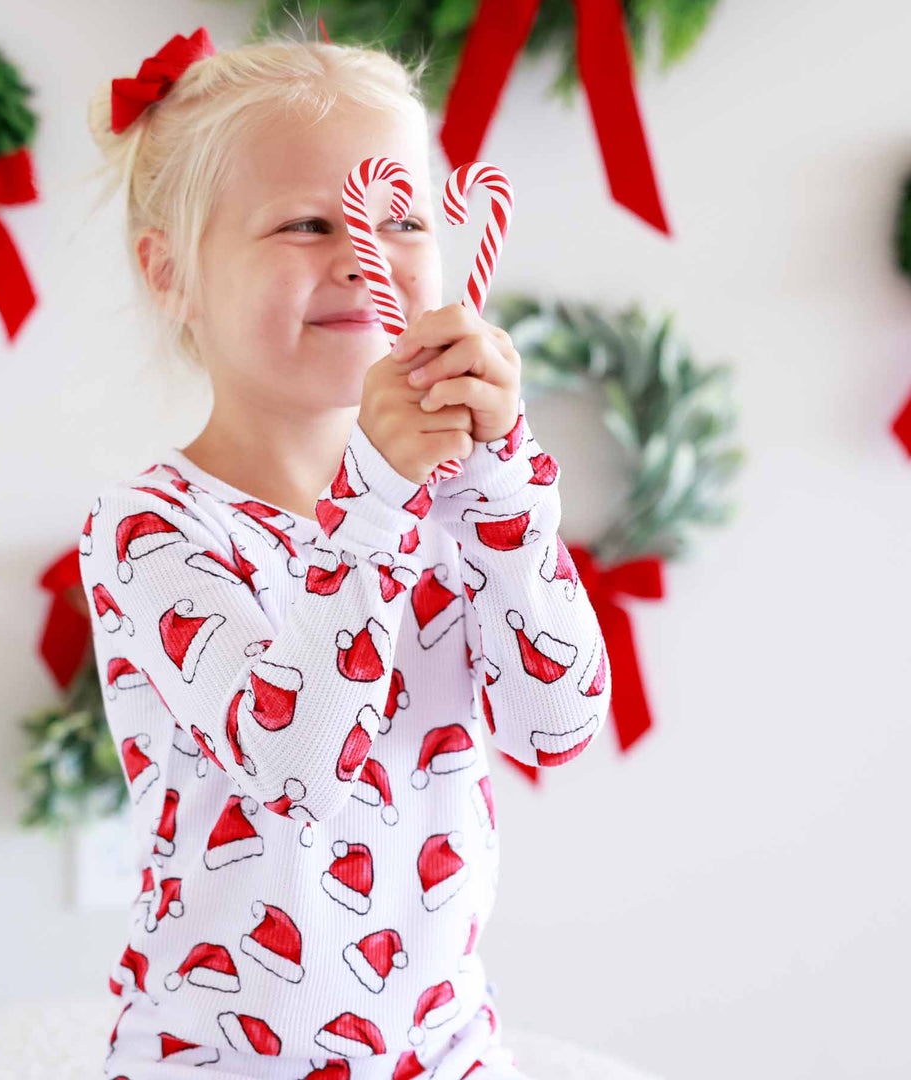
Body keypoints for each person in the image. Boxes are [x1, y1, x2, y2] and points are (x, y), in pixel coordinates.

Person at [79, 24, 612, 1080]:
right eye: (306, 222)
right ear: (171, 274)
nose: (357, 254)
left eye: (399, 217)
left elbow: (560, 723)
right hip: (220, 1061)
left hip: (447, 1048)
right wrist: (372, 499)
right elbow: (294, 769)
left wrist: (500, 486)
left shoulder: (463, 499)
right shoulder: (151, 528)